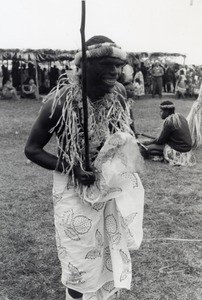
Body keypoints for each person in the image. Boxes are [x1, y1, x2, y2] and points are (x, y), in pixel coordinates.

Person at [24, 35, 145, 300]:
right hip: (73, 191)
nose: (115, 71)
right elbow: (31, 149)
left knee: (108, 253)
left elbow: (129, 141)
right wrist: (72, 168)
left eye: (117, 64)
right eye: (106, 64)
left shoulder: (119, 99)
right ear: (85, 65)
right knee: (79, 258)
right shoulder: (59, 102)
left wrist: (119, 156)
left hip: (109, 190)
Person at [140, 101, 195, 166]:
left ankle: (168, 156)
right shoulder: (180, 117)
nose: (159, 113)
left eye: (161, 111)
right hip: (187, 151)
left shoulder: (169, 121)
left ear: (166, 112)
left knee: (147, 149)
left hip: (178, 151)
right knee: (150, 147)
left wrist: (147, 142)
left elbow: (160, 141)